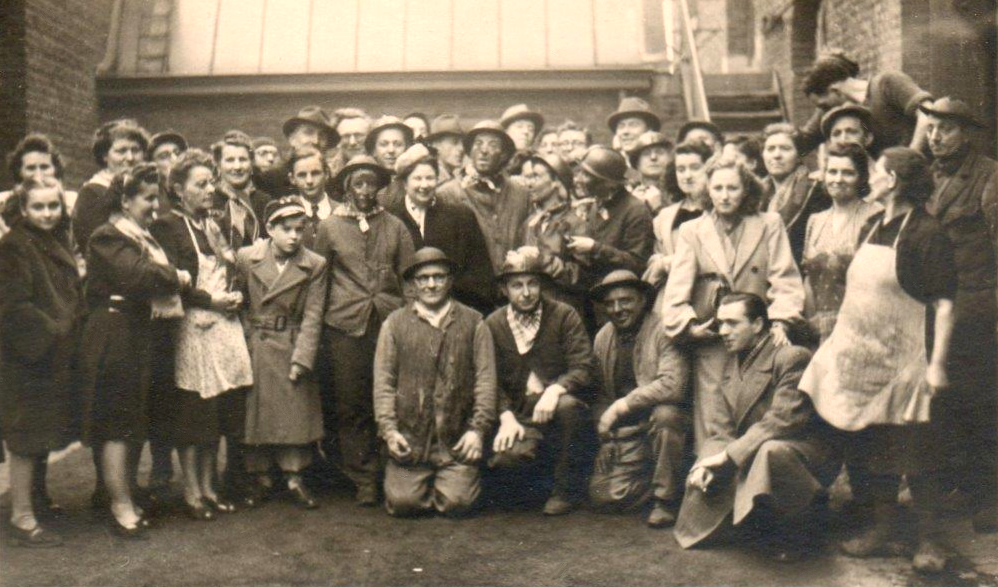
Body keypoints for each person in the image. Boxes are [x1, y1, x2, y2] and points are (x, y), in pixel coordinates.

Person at [798, 147, 957, 572]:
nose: (872, 176)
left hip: (908, 360)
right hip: (863, 360)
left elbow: (943, 304)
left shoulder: (927, 233)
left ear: (897, 180)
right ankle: (882, 530)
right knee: (871, 449)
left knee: (917, 452)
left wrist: (937, 364)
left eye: (878, 170)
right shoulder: (873, 225)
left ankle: (930, 541)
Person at [674, 293, 838, 562]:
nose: (723, 332)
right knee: (724, 470)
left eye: (732, 323)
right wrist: (705, 463)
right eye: (720, 324)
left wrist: (727, 456)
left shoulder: (791, 357)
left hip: (805, 452)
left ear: (759, 324)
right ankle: (761, 520)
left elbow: (784, 420)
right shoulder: (732, 365)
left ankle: (803, 527)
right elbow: (722, 429)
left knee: (771, 452)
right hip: (755, 448)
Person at [662, 156, 804, 453]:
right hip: (714, 342)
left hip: (758, 341)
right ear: (707, 190)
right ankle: (712, 487)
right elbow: (676, 293)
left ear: (746, 190)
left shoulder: (769, 224)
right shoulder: (692, 230)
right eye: (718, 188)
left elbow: (785, 278)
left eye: (733, 188)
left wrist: (780, 321)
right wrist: (691, 328)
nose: (725, 196)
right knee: (713, 423)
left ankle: (753, 491)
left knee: (757, 416)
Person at [77, 163, 190, 539]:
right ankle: (119, 502)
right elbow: (138, 276)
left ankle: (122, 494)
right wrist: (178, 276)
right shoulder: (108, 236)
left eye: (157, 198)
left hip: (135, 331)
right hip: (114, 334)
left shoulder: (139, 236)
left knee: (131, 420)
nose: (154, 206)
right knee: (115, 423)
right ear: (124, 201)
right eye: (147, 198)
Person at [151, 149, 253, 520]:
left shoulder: (212, 224)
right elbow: (170, 281)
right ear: (178, 189)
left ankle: (210, 486)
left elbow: (230, 267)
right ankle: (192, 491)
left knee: (216, 411)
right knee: (193, 411)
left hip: (223, 325)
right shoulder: (167, 226)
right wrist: (211, 300)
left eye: (211, 182)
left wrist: (236, 291)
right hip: (192, 326)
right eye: (201, 184)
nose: (210, 189)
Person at [314, 154, 415, 506]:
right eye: (358, 183)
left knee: (387, 394)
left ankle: (392, 468)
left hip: (387, 321)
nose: (365, 191)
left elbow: (410, 279)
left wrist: (410, 318)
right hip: (344, 325)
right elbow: (319, 280)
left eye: (371, 183)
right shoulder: (328, 228)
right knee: (351, 400)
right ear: (346, 187)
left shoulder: (395, 226)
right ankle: (363, 477)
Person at [373, 247, 497, 517]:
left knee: (458, 503)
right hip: (412, 442)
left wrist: (477, 430)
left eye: (439, 277)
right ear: (413, 284)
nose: (431, 284)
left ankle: (450, 481)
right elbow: (383, 385)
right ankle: (415, 481)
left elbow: (486, 383)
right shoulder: (394, 325)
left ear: (450, 280)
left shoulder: (474, 322)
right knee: (404, 504)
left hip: (456, 440)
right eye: (423, 278)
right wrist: (390, 431)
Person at [920, 97, 997, 532]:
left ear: (966, 133)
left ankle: (988, 496)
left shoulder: (989, 177)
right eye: (931, 128)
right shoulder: (926, 176)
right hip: (934, 310)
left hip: (977, 310)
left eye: (945, 129)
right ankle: (958, 487)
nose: (936, 136)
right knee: (942, 404)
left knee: (981, 403)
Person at [0, 178, 83, 547]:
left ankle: (35, 501)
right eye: (39, 207)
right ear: (24, 209)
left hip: (51, 353)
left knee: (42, 431)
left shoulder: (51, 240)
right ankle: (22, 515)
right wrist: (55, 331)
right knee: (26, 435)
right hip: (27, 356)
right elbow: (14, 306)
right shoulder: (15, 246)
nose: (47, 213)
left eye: (53, 206)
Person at [486, 247, 596, 516]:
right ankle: (539, 481)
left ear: (542, 285)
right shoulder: (493, 325)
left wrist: (556, 389)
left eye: (532, 283)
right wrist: (505, 416)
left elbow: (584, 366)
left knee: (568, 407)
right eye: (517, 285)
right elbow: (489, 379)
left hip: (559, 412)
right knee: (505, 462)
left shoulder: (563, 315)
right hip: (521, 417)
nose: (526, 293)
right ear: (504, 289)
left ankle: (565, 490)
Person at [235, 197, 329, 510]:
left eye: (299, 229)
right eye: (286, 229)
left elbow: (313, 316)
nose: (294, 236)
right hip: (257, 344)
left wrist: (302, 358)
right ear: (269, 228)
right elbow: (241, 304)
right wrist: (245, 342)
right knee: (256, 412)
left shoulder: (314, 265)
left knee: (294, 409)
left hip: (290, 340)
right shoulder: (247, 258)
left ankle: (294, 477)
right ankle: (259, 477)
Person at [588, 270, 690, 528]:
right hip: (628, 432)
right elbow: (600, 394)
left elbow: (673, 384)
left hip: (662, 426)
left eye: (626, 301)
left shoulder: (664, 330)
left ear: (643, 300)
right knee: (601, 496)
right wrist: (607, 437)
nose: (618, 309)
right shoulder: (603, 337)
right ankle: (661, 477)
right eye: (610, 303)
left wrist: (623, 405)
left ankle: (665, 500)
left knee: (666, 414)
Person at [386, 144, 495, 315]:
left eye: (430, 178)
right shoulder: (391, 218)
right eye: (417, 179)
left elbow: (479, 273)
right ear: (405, 184)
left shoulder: (460, 216)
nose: (424, 185)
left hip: (453, 310)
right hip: (405, 313)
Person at [566, 146, 654, 334]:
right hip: (595, 303)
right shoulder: (597, 205)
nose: (579, 179)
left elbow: (637, 263)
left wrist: (594, 248)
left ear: (608, 183)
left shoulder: (635, 210)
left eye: (587, 175)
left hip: (622, 309)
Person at [802, 143, 880, 342]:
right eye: (832, 172)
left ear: (861, 177)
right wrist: (813, 320)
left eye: (847, 173)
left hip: (861, 326)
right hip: (820, 328)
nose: (838, 179)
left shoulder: (875, 215)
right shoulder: (815, 220)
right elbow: (808, 277)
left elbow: (877, 281)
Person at [437, 120, 531, 273]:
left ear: (504, 154)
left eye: (493, 145)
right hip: (470, 291)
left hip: (515, 286)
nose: (484, 150)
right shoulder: (447, 194)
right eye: (478, 143)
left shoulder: (521, 194)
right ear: (469, 151)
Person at [797, 51, 933, 156]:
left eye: (824, 105)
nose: (824, 111)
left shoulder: (887, 83)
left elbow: (927, 113)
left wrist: (910, 156)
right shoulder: (843, 109)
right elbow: (806, 139)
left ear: (835, 91)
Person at [645, 141, 713, 315]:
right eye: (681, 169)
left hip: (711, 296)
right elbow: (655, 259)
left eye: (695, 168)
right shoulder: (664, 217)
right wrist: (662, 262)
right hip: (672, 298)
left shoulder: (719, 212)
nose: (687, 176)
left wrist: (674, 261)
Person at [517, 151, 588, 314]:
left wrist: (542, 261)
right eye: (527, 177)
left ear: (556, 181)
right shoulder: (529, 222)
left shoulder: (576, 221)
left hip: (564, 312)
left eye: (536, 176)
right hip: (530, 309)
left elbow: (582, 277)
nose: (529, 184)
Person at [73, 119, 150, 252]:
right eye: (121, 151)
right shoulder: (91, 192)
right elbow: (94, 245)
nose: (130, 158)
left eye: (135, 150)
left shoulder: (146, 190)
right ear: (105, 156)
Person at [759, 123, 831, 264]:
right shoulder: (758, 194)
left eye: (785, 149)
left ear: (799, 156)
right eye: (770, 149)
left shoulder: (815, 191)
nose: (777, 155)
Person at [1, 134, 78, 240]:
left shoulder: (71, 200)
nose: (38, 174)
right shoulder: (3, 201)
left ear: (55, 169)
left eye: (44, 167)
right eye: (31, 168)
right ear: (19, 171)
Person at [212, 131, 270, 248]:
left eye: (243, 160)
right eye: (230, 160)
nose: (237, 167)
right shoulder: (209, 200)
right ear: (218, 165)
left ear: (252, 164)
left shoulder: (265, 202)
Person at [286, 146, 335, 249]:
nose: (309, 181)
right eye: (302, 175)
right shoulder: (286, 212)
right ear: (292, 179)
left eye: (315, 173)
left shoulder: (340, 211)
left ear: (326, 174)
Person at [366, 115, 415, 210]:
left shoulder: (413, 181)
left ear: (406, 148)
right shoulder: (366, 182)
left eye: (398, 144)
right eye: (383, 144)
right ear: (373, 150)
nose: (391, 150)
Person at [628, 131, 675, 215]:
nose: (653, 157)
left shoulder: (681, 193)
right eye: (646, 154)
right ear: (637, 163)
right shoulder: (629, 196)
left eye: (660, 152)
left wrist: (658, 208)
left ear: (670, 159)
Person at [147, 131, 188, 215]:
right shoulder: (153, 201)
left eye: (178, 153)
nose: (174, 159)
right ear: (152, 165)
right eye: (164, 156)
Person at [425, 113, 465, 184]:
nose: (461, 148)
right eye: (454, 142)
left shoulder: (450, 176)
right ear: (435, 144)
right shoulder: (433, 179)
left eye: (463, 143)